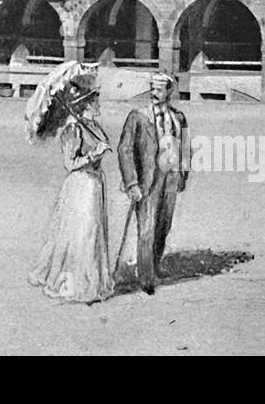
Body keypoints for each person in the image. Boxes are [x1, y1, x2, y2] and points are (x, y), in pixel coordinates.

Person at [28, 82, 115, 304]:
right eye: (94, 100)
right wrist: (94, 154)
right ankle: (74, 283)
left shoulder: (93, 126)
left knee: (93, 232)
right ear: (84, 104)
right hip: (80, 186)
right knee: (82, 233)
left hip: (95, 185)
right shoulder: (73, 129)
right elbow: (70, 163)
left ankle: (93, 282)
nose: (98, 104)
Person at [114, 72, 191, 295]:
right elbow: (125, 149)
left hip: (170, 178)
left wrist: (183, 174)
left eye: (158, 89)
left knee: (163, 227)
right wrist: (131, 183)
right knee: (146, 229)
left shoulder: (179, 118)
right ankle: (146, 278)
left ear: (169, 92)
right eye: (152, 88)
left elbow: (185, 146)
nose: (153, 93)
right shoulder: (138, 116)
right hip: (147, 181)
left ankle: (155, 266)